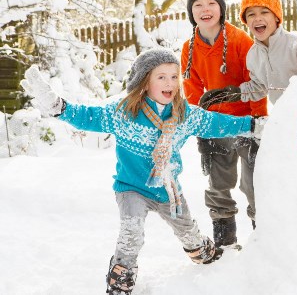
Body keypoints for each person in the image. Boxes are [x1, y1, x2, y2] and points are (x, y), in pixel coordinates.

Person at [20, 48, 265, 295]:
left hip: (167, 189)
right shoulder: (123, 113)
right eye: (161, 77)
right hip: (131, 187)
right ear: (145, 82)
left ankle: (203, 252)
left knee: (188, 232)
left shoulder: (184, 114)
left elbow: (216, 123)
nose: (169, 83)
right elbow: (87, 117)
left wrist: (252, 125)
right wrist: (57, 106)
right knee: (131, 232)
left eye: (173, 76)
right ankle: (121, 278)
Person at [181, 0, 267, 249]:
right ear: (191, 12)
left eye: (210, 3)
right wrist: (202, 125)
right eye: (198, 5)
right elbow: (192, 88)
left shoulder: (241, 41)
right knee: (219, 184)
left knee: (254, 183)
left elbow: (255, 82)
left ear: (220, 8)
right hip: (216, 125)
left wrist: (258, 122)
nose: (205, 9)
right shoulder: (189, 48)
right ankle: (226, 240)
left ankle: (262, 236)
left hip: (245, 123)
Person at [200, 0, 297, 107]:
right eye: (251, 14)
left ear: (276, 17)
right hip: (283, 116)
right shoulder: (253, 55)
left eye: (264, 12)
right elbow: (259, 87)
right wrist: (231, 94)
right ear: (246, 21)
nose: (258, 18)